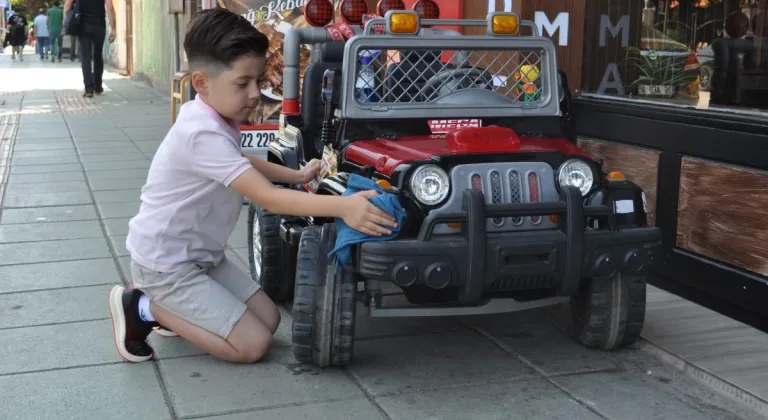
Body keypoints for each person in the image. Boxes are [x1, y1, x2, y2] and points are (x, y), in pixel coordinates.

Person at [108, 8, 398, 364]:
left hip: (202, 258)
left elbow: (240, 162)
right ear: (201, 82)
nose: (255, 94)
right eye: (242, 83)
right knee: (252, 346)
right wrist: (345, 207)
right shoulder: (201, 133)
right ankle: (144, 306)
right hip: (166, 266)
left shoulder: (211, 114)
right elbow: (269, 200)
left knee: (270, 319)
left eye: (258, 81)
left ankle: (177, 309)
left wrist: (298, 176)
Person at [63, 0, 116, 97]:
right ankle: (98, 87)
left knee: (85, 57)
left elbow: (67, 5)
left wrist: (65, 24)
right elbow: (110, 8)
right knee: (97, 55)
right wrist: (113, 28)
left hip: (82, 26)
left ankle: (89, 89)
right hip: (99, 26)